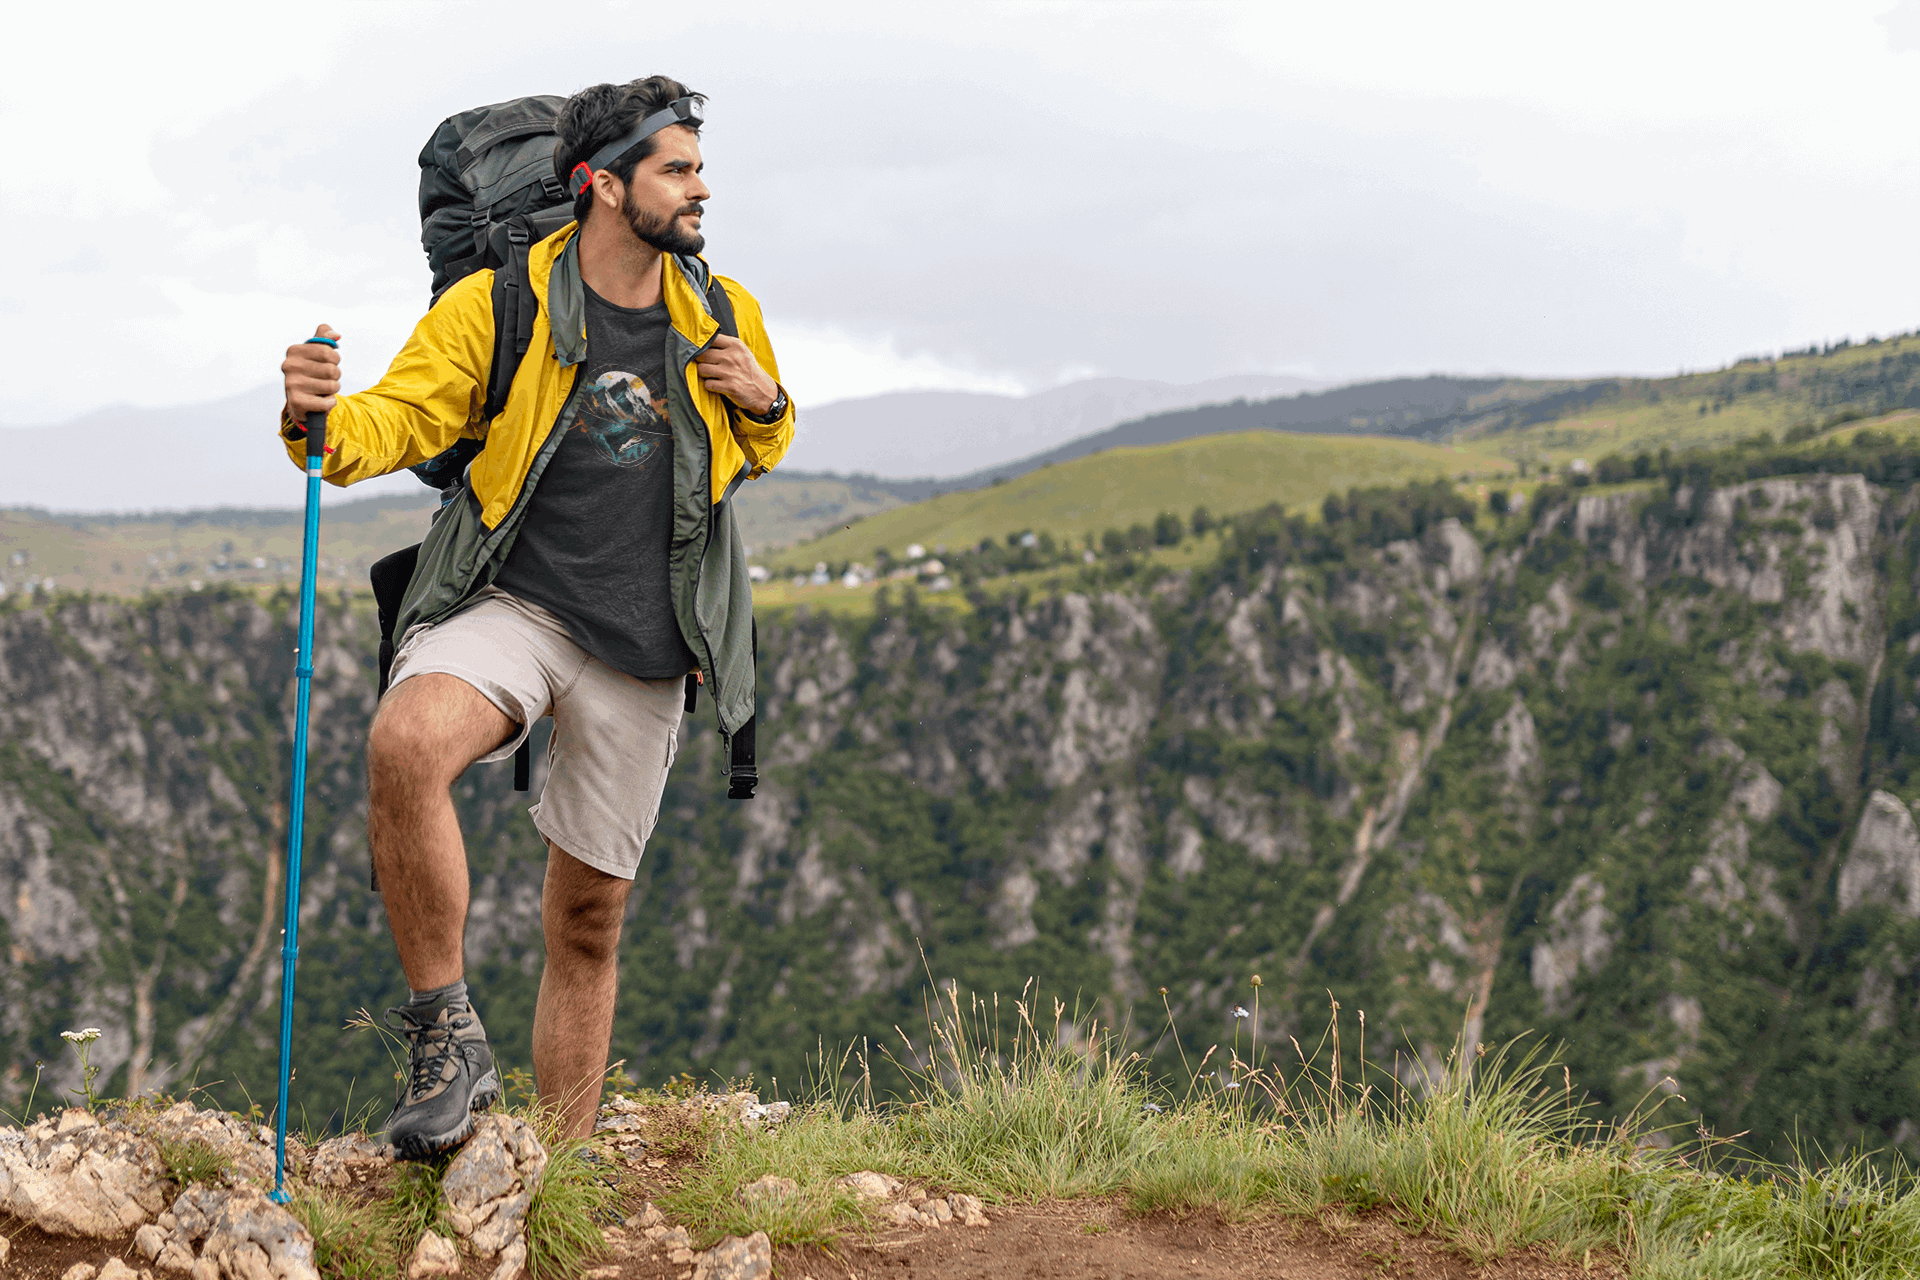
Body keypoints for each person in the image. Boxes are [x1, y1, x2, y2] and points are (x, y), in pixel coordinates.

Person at [276, 75, 792, 1158]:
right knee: (406, 739)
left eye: (697, 164)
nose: (703, 187)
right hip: (514, 600)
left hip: (648, 644)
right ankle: (445, 1033)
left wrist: (767, 406)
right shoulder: (499, 306)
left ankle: (557, 1170)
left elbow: (749, 451)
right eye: (678, 167)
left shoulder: (723, 309)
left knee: (588, 921)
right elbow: (394, 418)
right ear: (604, 185)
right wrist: (314, 417)